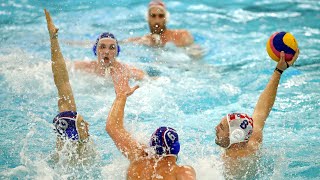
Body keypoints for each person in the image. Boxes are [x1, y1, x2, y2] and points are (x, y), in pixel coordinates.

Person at [215, 50, 300, 178]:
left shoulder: (230, 164)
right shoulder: (253, 140)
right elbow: (262, 109)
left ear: (236, 136)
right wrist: (279, 70)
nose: (216, 128)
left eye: (221, 127)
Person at [105, 62, 196, 179]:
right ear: (176, 148)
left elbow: (112, 127)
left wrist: (121, 97)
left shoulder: (138, 158)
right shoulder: (181, 172)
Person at [45, 9, 96, 164]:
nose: (86, 125)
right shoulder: (86, 153)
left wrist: (53, 39)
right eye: (83, 124)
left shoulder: (56, 155)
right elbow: (63, 81)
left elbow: (61, 81)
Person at [123, 0, 204, 58]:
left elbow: (197, 56)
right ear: (147, 18)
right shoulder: (142, 41)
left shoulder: (182, 35)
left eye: (161, 16)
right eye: (153, 16)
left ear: (166, 18)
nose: (157, 20)